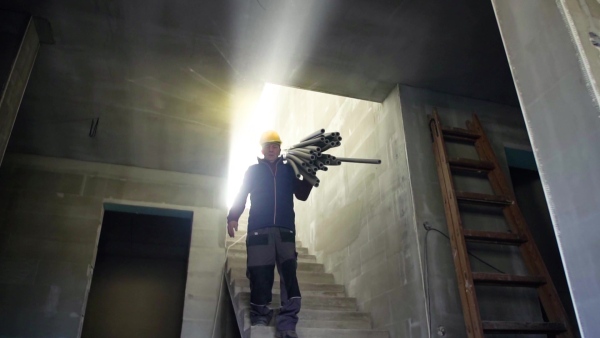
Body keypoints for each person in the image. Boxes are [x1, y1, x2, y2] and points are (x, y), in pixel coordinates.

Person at [227, 130, 313, 338]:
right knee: (259, 273)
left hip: (285, 230)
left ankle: (287, 322)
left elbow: (301, 195)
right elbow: (241, 194)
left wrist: (310, 175)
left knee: (289, 275)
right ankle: (260, 313)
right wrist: (233, 216)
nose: (272, 149)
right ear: (262, 149)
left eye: (275, 145)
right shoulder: (253, 171)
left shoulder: (289, 170)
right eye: (268, 146)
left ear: (280, 148)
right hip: (259, 230)